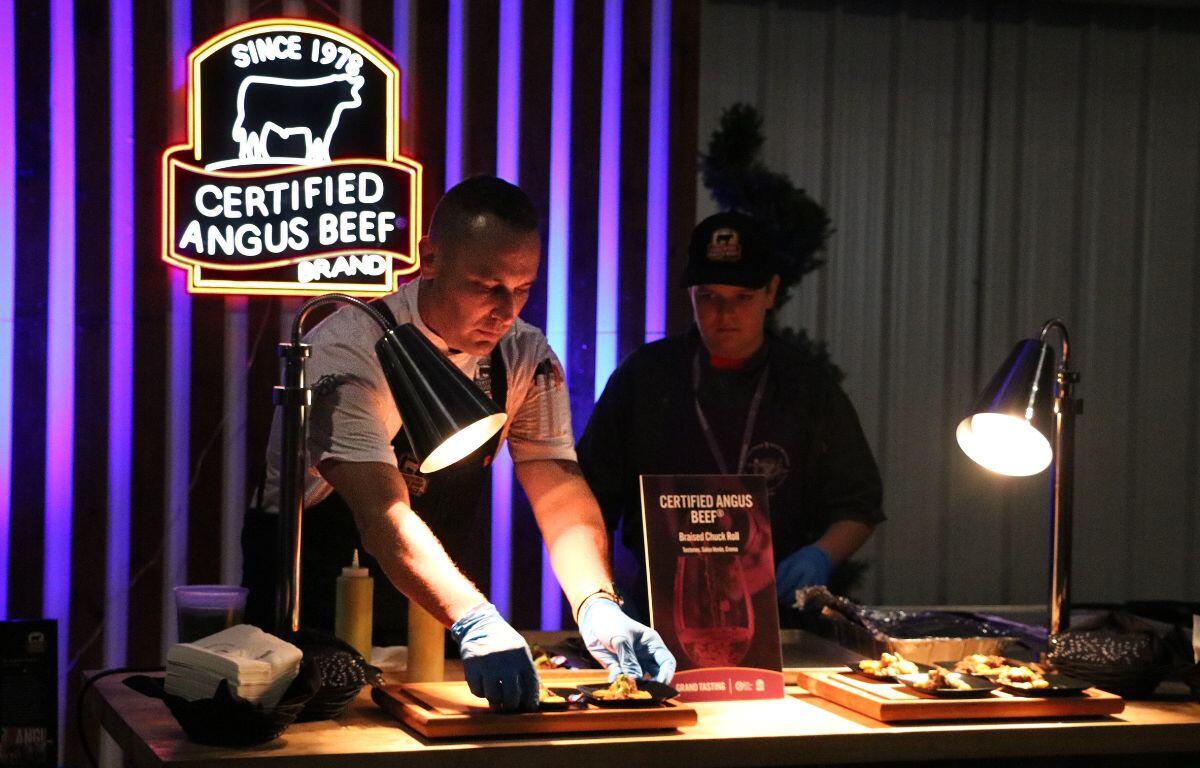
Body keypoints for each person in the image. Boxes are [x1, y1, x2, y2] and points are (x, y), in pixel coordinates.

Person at [244, 176, 674, 712]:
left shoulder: (522, 353)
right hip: (310, 617)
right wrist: (476, 618)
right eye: (485, 285)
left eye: (522, 289)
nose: (506, 310)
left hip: (432, 611)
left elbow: (556, 483)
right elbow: (383, 513)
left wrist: (597, 604)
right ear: (430, 258)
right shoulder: (343, 351)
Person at [576, 211, 884, 625]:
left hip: (779, 617)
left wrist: (821, 554)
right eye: (709, 297)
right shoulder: (644, 377)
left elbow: (859, 503)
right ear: (691, 296)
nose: (725, 314)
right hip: (657, 613)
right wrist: (602, 590)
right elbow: (585, 500)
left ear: (771, 291)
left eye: (742, 297)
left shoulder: (808, 386)